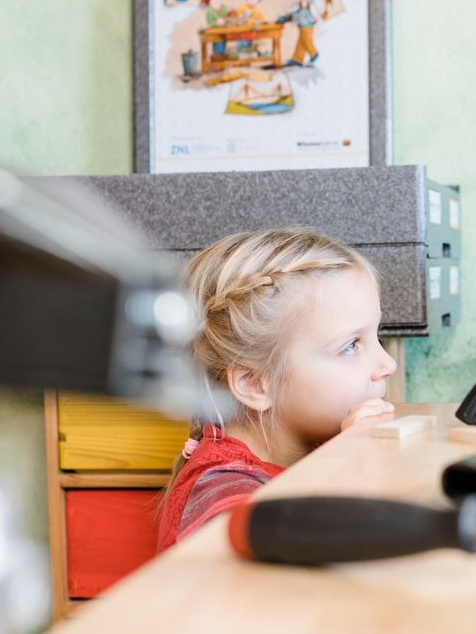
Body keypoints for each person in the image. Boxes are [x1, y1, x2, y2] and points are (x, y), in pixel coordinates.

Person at [156, 227, 396, 551]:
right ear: (254, 384)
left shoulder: (313, 445)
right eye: (351, 345)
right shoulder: (225, 491)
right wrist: (349, 470)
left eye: (376, 336)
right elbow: (292, 576)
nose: (387, 364)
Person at [276, 0, 318, 66]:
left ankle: (314, 54)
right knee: (301, 42)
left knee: (306, 41)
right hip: (302, 25)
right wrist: (282, 18)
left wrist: (306, 0)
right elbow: (291, 13)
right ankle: (298, 59)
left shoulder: (304, 0)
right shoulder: (297, 5)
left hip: (307, 24)